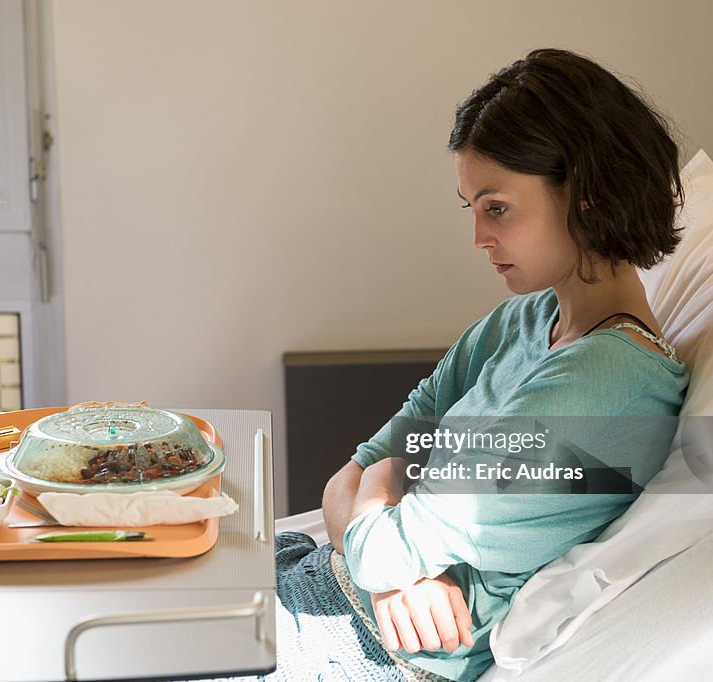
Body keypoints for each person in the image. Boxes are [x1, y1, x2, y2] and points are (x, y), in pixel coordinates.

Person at [248, 48, 688, 682]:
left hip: (362, 652)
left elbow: (379, 536)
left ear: (588, 197)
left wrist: (387, 491)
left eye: (498, 207)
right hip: (317, 580)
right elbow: (352, 478)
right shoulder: (520, 321)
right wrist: (388, 508)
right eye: (472, 208)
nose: (479, 237)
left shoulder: (607, 390)